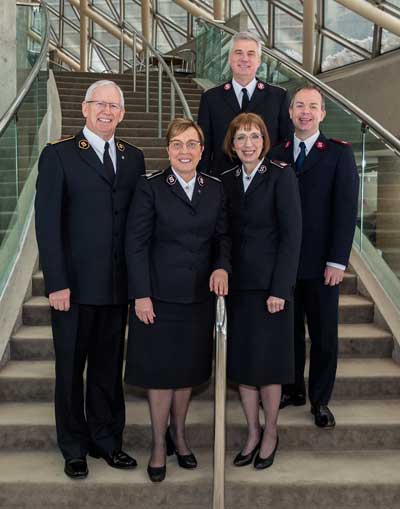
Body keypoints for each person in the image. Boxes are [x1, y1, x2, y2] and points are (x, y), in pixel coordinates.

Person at [35, 80, 145, 479]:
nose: (107, 111)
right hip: (74, 289)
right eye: (100, 104)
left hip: (116, 288)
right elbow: (47, 225)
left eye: (114, 106)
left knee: (107, 368)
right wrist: (56, 282)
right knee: (69, 371)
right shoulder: (59, 155)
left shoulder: (133, 158)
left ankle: (107, 441)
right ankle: (74, 447)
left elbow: (135, 225)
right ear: (84, 109)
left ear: (121, 113)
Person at [124, 118, 231, 482]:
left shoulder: (215, 188)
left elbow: (224, 239)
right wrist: (141, 295)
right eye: (177, 144)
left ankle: (180, 436)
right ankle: (157, 444)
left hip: (198, 297)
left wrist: (221, 267)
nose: (185, 151)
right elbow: (135, 245)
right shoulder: (150, 186)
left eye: (192, 144)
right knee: (159, 374)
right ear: (168, 149)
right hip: (157, 298)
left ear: (202, 150)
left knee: (186, 373)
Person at [269, 85, 359, 428]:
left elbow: (346, 209)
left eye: (313, 107)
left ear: (322, 114)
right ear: (290, 113)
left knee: (323, 336)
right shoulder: (276, 152)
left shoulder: (338, 153)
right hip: (286, 265)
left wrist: (338, 261)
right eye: (299, 106)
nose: (305, 112)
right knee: (288, 333)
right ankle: (293, 389)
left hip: (323, 265)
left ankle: (320, 400)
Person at [221, 113, 302, 469]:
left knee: (269, 367)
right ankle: (252, 431)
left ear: (264, 141)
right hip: (238, 289)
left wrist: (280, 287)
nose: (248, 144)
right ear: (232, 144)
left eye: (254, 137)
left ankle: (271, 432)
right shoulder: (224, 180)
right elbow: (221, 234)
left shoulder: (282, 175)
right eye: (241, 138)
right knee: (243, 366)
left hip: (271, 290)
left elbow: (291, 236)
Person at [197, 31, 292, 176]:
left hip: (266, 183)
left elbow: (286, 144)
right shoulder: (211, 98)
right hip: (223, 185)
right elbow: (204, 148)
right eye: (238, 52)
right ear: (229, 58)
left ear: (259, 60)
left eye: (251, 53)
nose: (244, 59)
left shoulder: (278, 97)